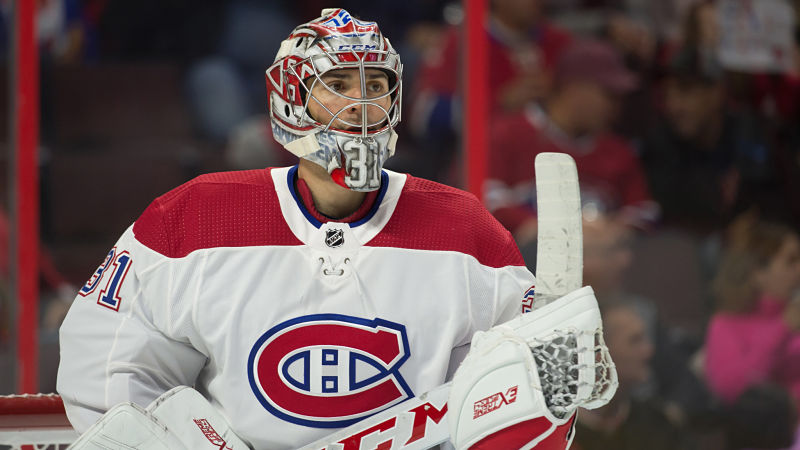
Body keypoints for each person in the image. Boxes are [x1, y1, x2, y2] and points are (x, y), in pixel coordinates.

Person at [57, 9, 609, 449]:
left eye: (375, 86)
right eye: (338, 83)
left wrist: (543, 383)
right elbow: (108, 367)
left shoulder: (466, 228)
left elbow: (511, 400)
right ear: (290, 98)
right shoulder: (193, 216)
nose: (361, 105)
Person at [485, 39, 659, 248]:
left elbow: (644, 213)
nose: (616, 108)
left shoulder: (619, 151)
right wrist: (547, 231)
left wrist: (614, 232)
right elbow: (485, 200)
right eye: (609, 96)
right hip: (521, 266)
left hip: (596, 270)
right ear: (574, 88)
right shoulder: (507, 134)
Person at [703, 211, 800, 447]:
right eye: (791, 261)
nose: (799, 269)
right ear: (758, 273)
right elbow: (733, 389)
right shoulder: (725, 325)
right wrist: (782, 328)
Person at [571, 301, 695, 450]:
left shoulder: (659, 425)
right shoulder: (555, 432)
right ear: (598, 351)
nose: (649, 351)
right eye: (635, 340)